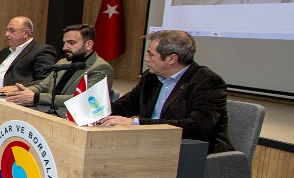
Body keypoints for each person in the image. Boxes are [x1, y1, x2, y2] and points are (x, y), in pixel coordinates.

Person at [98, 30, 234, 153]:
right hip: (152, 146)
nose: (146, 58)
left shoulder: (207, 82)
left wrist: (136, 123)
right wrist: (95, 113)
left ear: (172, 59)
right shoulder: (150, 77)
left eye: (151, 54)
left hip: (194, 153)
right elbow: (126, 105)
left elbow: (197, 128)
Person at [0, 24, 113, 108]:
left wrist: (36, 97)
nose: (65, 47)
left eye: (71, 43)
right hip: (47, 110)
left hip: (71, 118)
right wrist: (21, 92)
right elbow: (42, 86)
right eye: (64, 43)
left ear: (88, 44)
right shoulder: (63, 62)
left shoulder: (101, 68)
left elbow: (83, 99)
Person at [0, 16, 58, 88]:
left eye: (12, 30)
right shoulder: (5, 52)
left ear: (26, 33)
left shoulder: (42, 50)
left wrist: (16, 88)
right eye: (7, 30)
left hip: (13, 94)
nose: (6, 34)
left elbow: (45, 80)